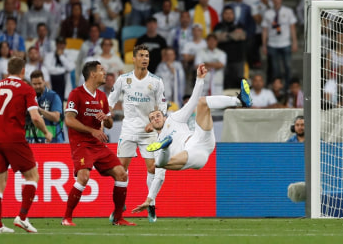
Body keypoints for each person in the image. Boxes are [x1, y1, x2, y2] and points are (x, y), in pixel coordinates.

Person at [131, 64, 252, 214]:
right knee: (160, 165)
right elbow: (159, 179)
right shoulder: (155, 144)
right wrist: (150, 200)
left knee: (202, 102)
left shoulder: (174, 118)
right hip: (193, 154)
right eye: (152, 118)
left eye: (158, 115)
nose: (156, 118)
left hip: (200, 139)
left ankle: (240, 101)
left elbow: (193, 101)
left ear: (164, 116)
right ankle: (166, 147)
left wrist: (199, 79)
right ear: (150, 123)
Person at [0, 57, 52, 233]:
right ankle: (22, 218)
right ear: (23, 71)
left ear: (8, 71)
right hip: (14, 138)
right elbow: (34, 116)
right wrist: (46, 132)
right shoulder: (26, 89)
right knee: (32, 176)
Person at [62, 60, 134, 227]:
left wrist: (106, 118)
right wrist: (92, 130)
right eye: (102, 70)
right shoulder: (76, 94)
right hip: (81, 144)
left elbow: (108, 124)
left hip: (98, 145)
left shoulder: (102, 97)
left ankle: (118, 218)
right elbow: (69, 120)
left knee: (122, 173)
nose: (105, 73)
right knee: (84, 177)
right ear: (92, 74)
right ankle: (67, 218)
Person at [107, 45, 166, 223]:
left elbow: (162, 107)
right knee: (120, 170)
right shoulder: (123, 80)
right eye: (141, 55)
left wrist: (154, 124)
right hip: (128, 130)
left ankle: (151, 203)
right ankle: (120, 206)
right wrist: (105, 116)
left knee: (152, 168)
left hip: (148, 131)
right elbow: (110, 101)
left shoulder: (156, 81)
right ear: (133, 58)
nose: (145, 58)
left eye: (147, 56)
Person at [27, 70, 64, 143]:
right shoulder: (28, 97)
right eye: (34, 84)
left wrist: (39, 110)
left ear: (44, 81)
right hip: (33, 140)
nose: (37, 86)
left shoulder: (53, 96)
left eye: (39, 83)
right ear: (31, 83)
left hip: (53, 140)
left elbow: (56, 117)